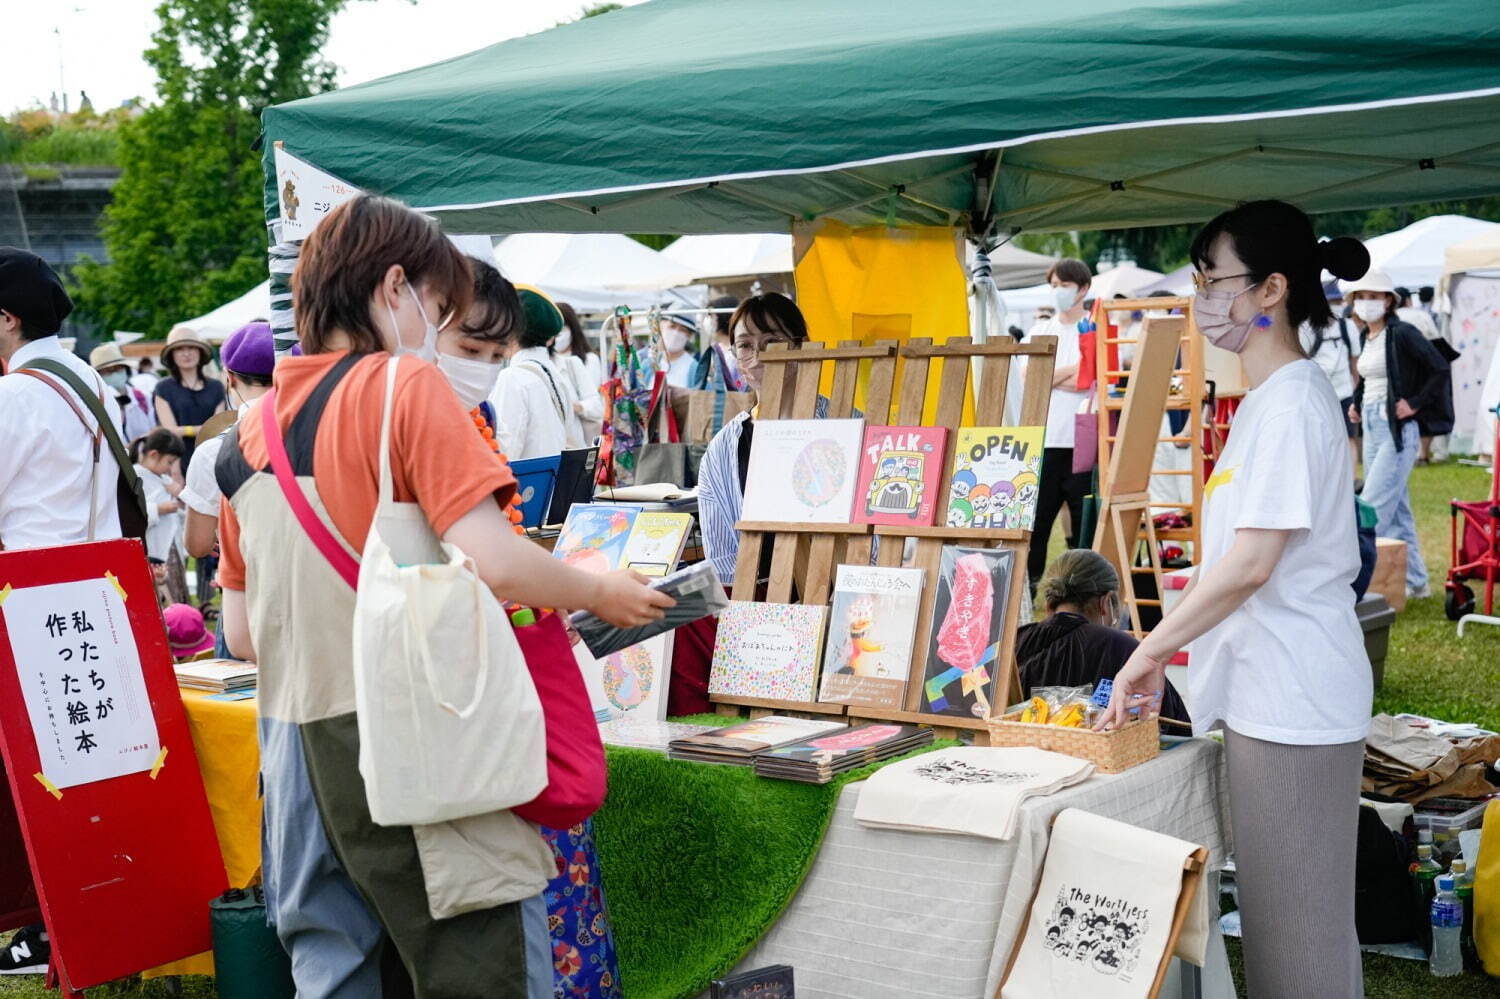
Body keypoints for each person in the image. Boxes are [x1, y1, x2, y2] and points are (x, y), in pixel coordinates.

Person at [216, 193, 669, 998]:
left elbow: (244, 634)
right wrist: (601, 588)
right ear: (395, 289)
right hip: (418, 738)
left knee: (339, 974)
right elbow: (497, 561)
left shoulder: (243, 439)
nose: (436, 329)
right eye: (438, 306)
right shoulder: (401, 388)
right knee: (481, 963)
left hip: (296, 762)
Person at [1099, 200, 1373, 999]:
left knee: (1299, 945)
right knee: (1292, 930)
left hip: (1295, 700)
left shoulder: (1289, 400)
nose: (1203, 299)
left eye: (1215, 280)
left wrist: (1150, 649)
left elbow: (1252, 563)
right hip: (1274, 695)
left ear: (1272, 290)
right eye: (1200, 281)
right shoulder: (1272, 399)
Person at [435, 261, 623, 998]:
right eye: (469, 349)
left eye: (494, 354)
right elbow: (493, 562)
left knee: (555, 868)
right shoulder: (422, 421)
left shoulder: (469, 416)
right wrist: (593, 591)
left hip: (515, 669)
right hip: (487, 691)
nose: (483, 368)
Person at [0, 247, 123, 973]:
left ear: (7, 319)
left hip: (26, 597)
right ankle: (94, 909)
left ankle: (42, 923)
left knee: (33, 778)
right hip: (98, 592)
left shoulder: (15, 393)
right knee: (89, 770)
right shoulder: (88, 379)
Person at [1347, 269, 1449, 599]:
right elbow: (1367, 379)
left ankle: (1358, 586)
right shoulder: (1367, 337)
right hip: (1374, 425)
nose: (1366, 303)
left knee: (1373, 507)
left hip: (1398, 428)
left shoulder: (1403, 332)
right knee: (1399, 510)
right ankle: (1417, 581)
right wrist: (1358, 405)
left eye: (1374, 297)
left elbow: (1439, 367)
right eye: (1361, 297)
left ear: (1388, 300)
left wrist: (1414, 404)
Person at [1016, 550, 1189, 725]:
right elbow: (1176, 725)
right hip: (1110, 749)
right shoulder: (1123, 648)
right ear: (1106, 603)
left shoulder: (1016, 641)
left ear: (1049, 604)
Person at [1022, 259, 1094, 589]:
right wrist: (1073, 372)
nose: (1058, 292)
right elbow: (1032, 378)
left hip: (1084, 436)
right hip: (1046, 439)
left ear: (1083, 288)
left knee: (1083, 522)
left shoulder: (1093, 328)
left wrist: (1057, 375)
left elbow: (1091, 377)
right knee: (1037, 521)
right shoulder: (1040, 331)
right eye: (1054, 286)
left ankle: (1082, 587)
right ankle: (1031, 583)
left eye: (1064, 286)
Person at [488, 285, 586, 460]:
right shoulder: (555, 377)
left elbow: (504, 452)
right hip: (551, 483)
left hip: (523, 485)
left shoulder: (512, 378)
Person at [1297, 294, 1362, 475]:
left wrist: (1357, 392)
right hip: (1318, 393)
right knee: (1320, 437)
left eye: (1338, 302)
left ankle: (1352, 479)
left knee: (1349, 437)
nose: (1336, 306)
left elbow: (1355, 361)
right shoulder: (1307, 327)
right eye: (1331, 302)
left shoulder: (1348, 326)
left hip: (1346, 392)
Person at [153, 326, 226, 462]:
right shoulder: (163, 388)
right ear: (172, 355)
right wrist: (174, 471)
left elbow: (217, 428)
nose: (186, 353)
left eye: (191, 347)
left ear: (200, 352)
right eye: (180, 349)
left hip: (214, 458)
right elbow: (170, 432)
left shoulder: (216, 387)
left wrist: (183, 430)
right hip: (177, 461)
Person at [131, 428, 188, 603]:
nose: (170, 468)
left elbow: (182, 505)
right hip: (153, 547)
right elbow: (133, 513)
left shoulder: (163, 478)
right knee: (157, 594)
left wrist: (178, 494)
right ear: (154, 454)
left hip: (170, 544)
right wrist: (158, 509)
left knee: (175, 587)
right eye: (169, 462)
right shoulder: (136, 475)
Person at [554, 301, 605, 444]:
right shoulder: (546, 360)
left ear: (572, 328)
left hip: (582, 437)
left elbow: (595, 404)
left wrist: (575, 406)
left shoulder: (587, 360)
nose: (557, 335)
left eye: (562, 329)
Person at [91, 342, 157, 441]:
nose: (115, 374)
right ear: (99, 375)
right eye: (109, 371)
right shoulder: (98, 404)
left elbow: (155, 427)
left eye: (118, 368)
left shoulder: (142, 397)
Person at [690, 294, 743, 390]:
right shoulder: (714, 348)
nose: (707, 320)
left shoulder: (740, 350)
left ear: (724, 317)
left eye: (711, 315)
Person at [659, 313, 698, 387]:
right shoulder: (648, 365)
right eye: (672, 326)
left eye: (683, 330)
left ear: (689, 336)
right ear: (662, 326)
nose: (675, 333)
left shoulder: (695, 369)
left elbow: (705, 396)